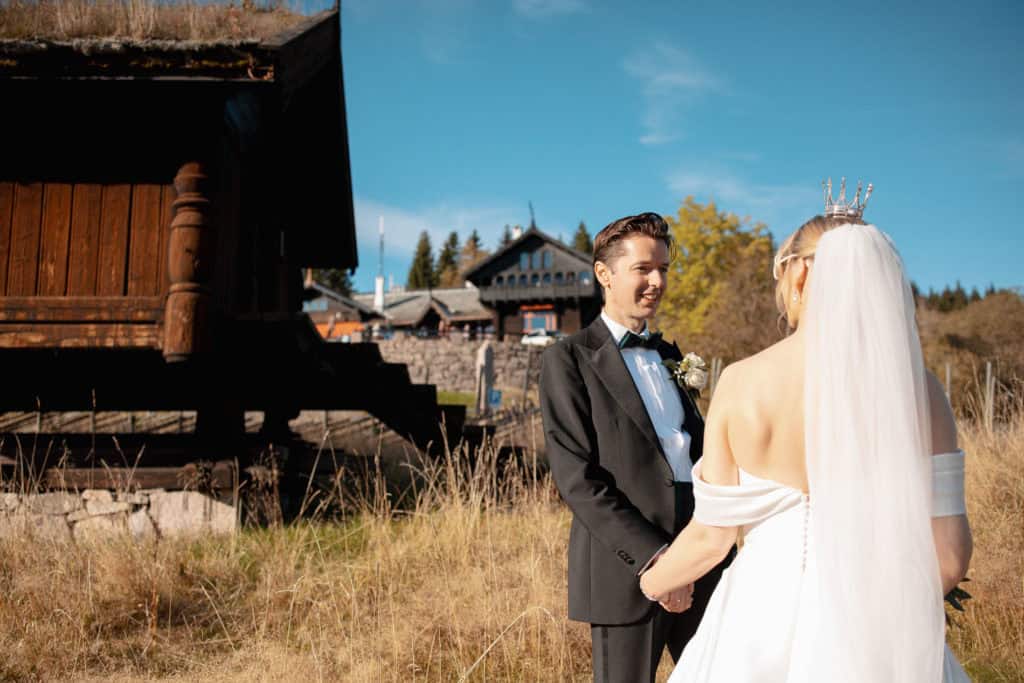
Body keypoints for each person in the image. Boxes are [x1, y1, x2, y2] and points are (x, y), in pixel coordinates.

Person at [639, 182, 973, 682]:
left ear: (798, 275)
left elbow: (712, 537)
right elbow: (949, 559)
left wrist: (655, 581)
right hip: (876, 632)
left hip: (755, 625)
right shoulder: (922, 392)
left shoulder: (743, 381)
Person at [539, 212, 732, 683]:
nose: (657, 281)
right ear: (604, 274)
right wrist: (658, 560)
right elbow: (577, 479)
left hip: (705, 556)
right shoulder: (569, 359)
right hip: (625, 568)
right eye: (643, 269)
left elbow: (699, 455)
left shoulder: (672, 356)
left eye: (663, 268)